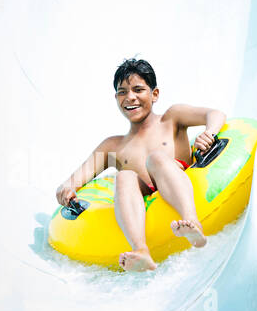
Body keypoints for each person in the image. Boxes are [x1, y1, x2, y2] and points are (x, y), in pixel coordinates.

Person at [55, 57, 227, 272]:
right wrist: (65, 190)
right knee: (124, 176)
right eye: (122, 92)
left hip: (177, 179)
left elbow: (215, 114)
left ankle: (192, 222)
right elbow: (74, 180)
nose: (130, 97)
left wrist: (209, 134)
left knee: (156, 158)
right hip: (145, 195)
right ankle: (141, 249)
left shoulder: (172, 118)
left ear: (154, 94)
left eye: (138, 89)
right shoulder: (114, 146)